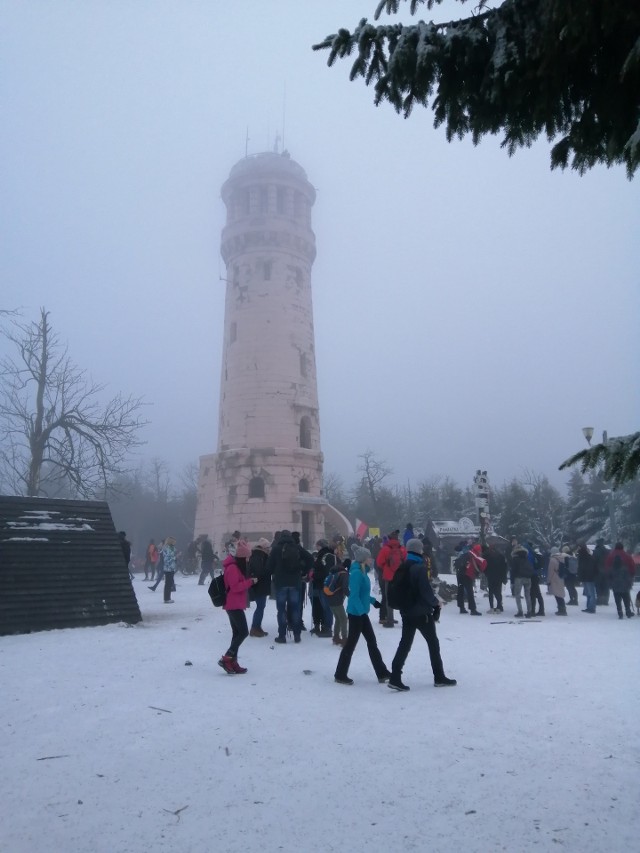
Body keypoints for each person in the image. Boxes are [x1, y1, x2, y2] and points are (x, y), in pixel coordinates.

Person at [388, 539, 456, 692]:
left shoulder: (403, 566)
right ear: (419, 550)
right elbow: (426, 592)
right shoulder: (419, 568)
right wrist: (436, 603)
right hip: (421, 613)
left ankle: (395, 677)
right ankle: (439, 677)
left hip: (406, 611)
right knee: (433, 644)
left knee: (404, 644)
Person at [334, 546, 390, 686]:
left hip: (361, 613)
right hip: (356, 614)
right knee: (351, 645)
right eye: (369, 557)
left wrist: (373, 602)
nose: (372, 559)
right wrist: (360, 612)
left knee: (371, 642)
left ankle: (382, 672)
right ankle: (340, 674)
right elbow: (353, 597)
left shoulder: (363, 572)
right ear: (363, 559)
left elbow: (362, 594)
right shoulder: (357, 573)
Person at [218, 540, 258, 674]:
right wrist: (249, 582)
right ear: (241, 558)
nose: (248, 560)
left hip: (234, 604)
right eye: (247, 557)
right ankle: (227, 658)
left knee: (237, 633)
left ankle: (233, 662)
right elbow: (235, 587)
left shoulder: (235, 567)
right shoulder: (233, 568)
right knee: (243, 632)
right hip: (233, 604)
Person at [267, 529, 305, 644]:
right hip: (295, 583)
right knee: (295, 609)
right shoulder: (298, 548)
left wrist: (275, 572)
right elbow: (309, 559)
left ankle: (282, 635)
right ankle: (297, 634)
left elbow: (269, 567)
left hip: (281, 583)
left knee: (281, 610)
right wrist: (302, 571)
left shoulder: (276, 549)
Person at [376, 531, 406, 627]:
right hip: (400, 577)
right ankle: (405, 619)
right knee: (402, 597)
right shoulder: (402, 549)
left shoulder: (385, 549)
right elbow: (405, 561)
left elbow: (379, 562)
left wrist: (386, 568)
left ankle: (390, 620)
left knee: (388, 598)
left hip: (389, 576)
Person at [604, 542, 635, 619]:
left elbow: (607, 569)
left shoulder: (610, 556)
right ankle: (628, 611)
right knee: (626, 597)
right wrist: (630, 580)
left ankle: (620, 613)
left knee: (617, 599)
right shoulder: (627, 556)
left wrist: (610, 583)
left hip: (615, 584)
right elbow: (632, 567)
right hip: (625, 584)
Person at [323, 554, 349, 645]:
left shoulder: (334, 572)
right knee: (343, 619)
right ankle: (345, 639)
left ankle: (336, 637)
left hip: (329, 598)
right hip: (337, 599)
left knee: (338, 618)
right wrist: (351, 596)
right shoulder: (344, 574)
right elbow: (345, 588)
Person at [311, 538, 335, 636]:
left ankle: (327, 628)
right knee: (325, 606)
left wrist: (314, 575)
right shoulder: (330, 555)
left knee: (327, 607)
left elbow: (325, 571)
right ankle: (326, 627)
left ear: (320, 546)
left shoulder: (324, 556)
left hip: (323, 584)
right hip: (325, 584)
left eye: (317, 545)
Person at [248, 538, 271, 637]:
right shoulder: (259, 556)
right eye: (268, 547)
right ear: (263, 547)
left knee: (261, 607)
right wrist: (268, 570)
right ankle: (255, 627)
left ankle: (257, 627)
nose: (269, 549)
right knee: (260, 607)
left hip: (260, 585)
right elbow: (259, 571)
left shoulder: (258, 555)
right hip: (260, 585)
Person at [454, 543, 482, 615]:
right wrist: (477, 573)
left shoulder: (466, 554)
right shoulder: (474, 556)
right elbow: (476, 567)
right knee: (470, 592)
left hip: (459, 574)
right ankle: (473, 609)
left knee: (460, 591)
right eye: (480, 550)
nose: (480, 552)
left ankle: (461, 608)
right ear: (478, 550)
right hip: (466, 575)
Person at [510, 544, 534, 617]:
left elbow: (513, 571)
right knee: (527, 595)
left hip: (519, 578)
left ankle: (520, 611)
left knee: (517, 595)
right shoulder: (526, 557)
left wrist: (512, 581)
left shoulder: (515, 559)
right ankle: (529, 611)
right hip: (528, 578)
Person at [483, 544, 507, 613]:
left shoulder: (487, 556)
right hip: (499, 576)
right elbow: (504, 568)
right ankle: (499, 606)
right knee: (498, 592)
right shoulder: (501, 556)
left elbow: (485, 567)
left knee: (491, 592)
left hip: (490, 576)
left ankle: (491, 607)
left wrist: (486, 573)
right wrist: (504, 577)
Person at [577, 543, 597, 613]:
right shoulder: (589, 557)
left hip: (586, 577)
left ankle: (590, 607)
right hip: (590, 577)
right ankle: (590, 607)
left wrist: (580, 576)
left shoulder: (581, 557)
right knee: (590, 593)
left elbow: (581, 568)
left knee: (590, 593)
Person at [547, 548, 567, 615]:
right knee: (560, 594)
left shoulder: (552, 560)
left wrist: (548, 580)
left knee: (557, 595)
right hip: (561, 577)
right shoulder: (561, 558)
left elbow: (550, 571)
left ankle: (561, 610)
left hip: (554, 578)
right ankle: (563, 608)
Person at [592, 538, 611, 605]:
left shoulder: (595, 551)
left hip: (598, 571)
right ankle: (605, 600)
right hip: (607, 571)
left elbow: (593, 562)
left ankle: (599, 600)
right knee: (606, 586)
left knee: (598, 586)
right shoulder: (608, 551)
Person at [161, 536, 177, 603]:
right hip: (168, 568)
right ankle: (166, 599)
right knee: (168, 583)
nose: (175, 542)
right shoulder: (167, 548)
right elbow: (166, 559)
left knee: (169, 583)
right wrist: (174, 557)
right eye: (174, 541)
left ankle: (168, 598)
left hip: (171, 567)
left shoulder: (171, 548)